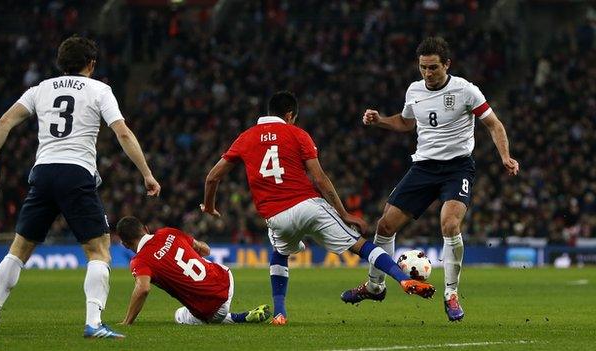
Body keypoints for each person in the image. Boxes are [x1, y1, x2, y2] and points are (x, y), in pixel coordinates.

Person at [0, 36, 161, 339]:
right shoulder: (100, 90)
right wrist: (147, 173)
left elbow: (5, 121)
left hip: (43, 172)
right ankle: (93, 323)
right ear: (91, 64)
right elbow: (123, 133)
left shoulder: (40, 89)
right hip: (76, 174)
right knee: (99, 251)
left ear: (60, 63)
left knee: (18, 250)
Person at [201, 91, 435, 326]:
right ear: (290, 115)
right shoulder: (297, 134)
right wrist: (344, 214)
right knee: (361, 246)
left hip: (275, 217)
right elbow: (320, 178)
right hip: (308, 206)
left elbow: (212, 177)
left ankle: (280, 312)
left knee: (280, 253)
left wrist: (210, 207)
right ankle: (403, 279)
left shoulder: (245, 138)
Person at [340, 37, 520, 322]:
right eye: (423, 67)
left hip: (457, 168)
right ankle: (375, 286)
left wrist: (505, 157)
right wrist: (380, 120)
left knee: (449, 224)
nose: (428, 73)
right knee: (385, 225)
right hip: (423, 167)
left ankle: (451, 294)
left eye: (434, 67)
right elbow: (407, 122)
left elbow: (493, 124)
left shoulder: (466, 90)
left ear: (447, 65)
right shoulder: (414, 90)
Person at [116, 216, 271, 325]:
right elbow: (205, 250)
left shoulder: (139, 261)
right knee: (202, 264)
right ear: (145, 228)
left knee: (179, 315)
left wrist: (127, 321)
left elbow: (143, 288)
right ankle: (244, 317)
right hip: (225, 277)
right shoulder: (167, 232)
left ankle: (234, 316)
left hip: (213, 309)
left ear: (124, 244)